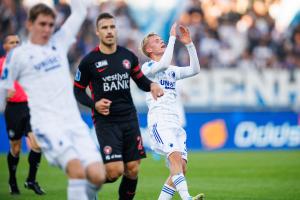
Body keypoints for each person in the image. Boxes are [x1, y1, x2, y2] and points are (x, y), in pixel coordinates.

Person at [0, 1, 106, 200]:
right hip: (47, 125)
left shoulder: (59, 41)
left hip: (74, 124)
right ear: (30, 24)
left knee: (98, 176)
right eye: (42, 24)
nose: (47, 29)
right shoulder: (18, 56)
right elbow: (3, 87)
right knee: (77, 172)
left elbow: (80, 11)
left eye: (51, 24)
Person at [73, 12, 164, 200]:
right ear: (98, 32)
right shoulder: (89, 61)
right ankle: (88, 182)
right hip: (106, 121)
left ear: (116, 29)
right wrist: (94, 104)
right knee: (114, 172)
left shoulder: (128, 56)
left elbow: (140, 81)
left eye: (112, 27)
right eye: (104, 28)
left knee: (132, 169)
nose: (109, 31)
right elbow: (78, 91)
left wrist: (152, 85)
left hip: (129, 118)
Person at [140, 23, 204, 200]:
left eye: (162, 40)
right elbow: (164, 62)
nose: (162, 41)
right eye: (157, 41)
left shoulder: (171, 70)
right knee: (175, 159)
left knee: (181, 167)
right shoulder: (147, 69)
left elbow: (194, 70)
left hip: (175, 122)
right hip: (160, 121)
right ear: (148, 49)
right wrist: (173, 37)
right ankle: (187, 198)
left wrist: (189, 44)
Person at [0, 34, 45, 195]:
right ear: (5, 46)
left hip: (30, 107)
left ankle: (31, 180)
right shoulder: (1, 64)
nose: (15, 45)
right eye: (11, 42)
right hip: (13, 109)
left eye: (18, 42)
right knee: (16, 149)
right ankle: (12, 180)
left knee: (37, 144)